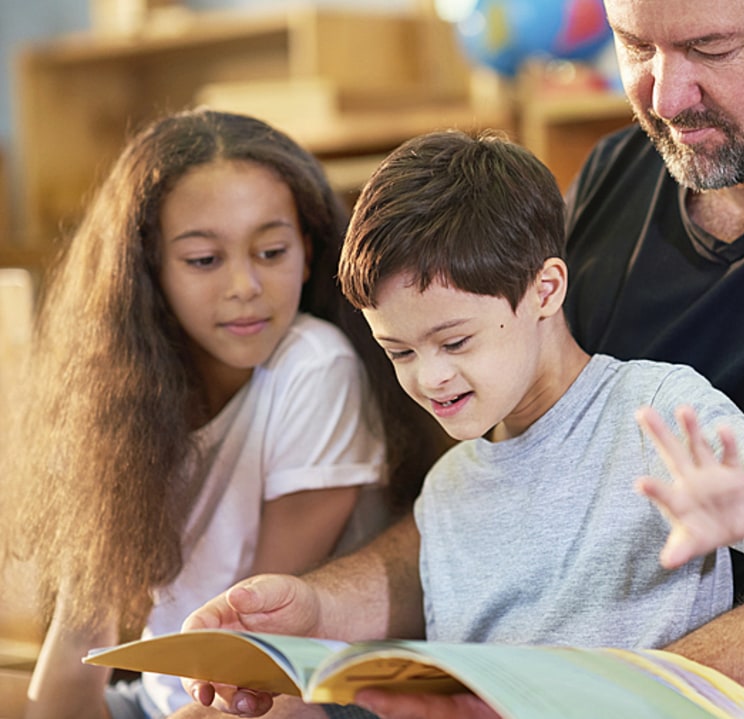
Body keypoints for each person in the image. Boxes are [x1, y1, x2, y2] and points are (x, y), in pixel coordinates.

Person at [186, 0, 744, 716]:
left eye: (712, 47)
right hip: (608, 657)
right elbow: (507, 503)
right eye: (633, 44)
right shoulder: (625, 172)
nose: (667, 94)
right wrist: (318, 615)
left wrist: (549, 695)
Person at [178, 129, 744, 719]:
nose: (429, 378)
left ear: (546, 290)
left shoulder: (650, 405)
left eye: (454, 342)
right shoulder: (449, 487)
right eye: (400, 351)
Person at [0, 108, 440, 719]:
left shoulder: (314, 367)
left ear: (308, 253)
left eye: (271, 251)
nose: (244, 285)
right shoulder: (116, 399)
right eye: (205, 260)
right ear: (149, 270)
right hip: (167, 696)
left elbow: (252, 654)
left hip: (286, 690)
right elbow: (75, 648)